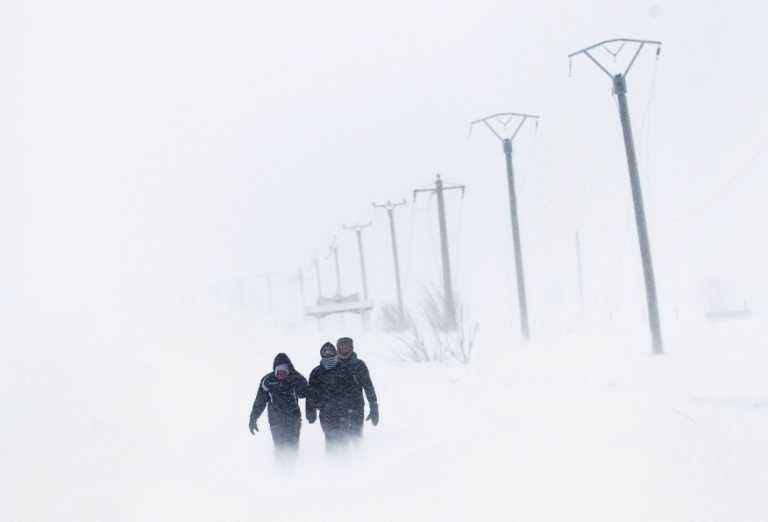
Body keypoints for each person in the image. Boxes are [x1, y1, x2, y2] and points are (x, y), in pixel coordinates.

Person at [249, 353, 308, 458]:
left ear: (288, 371)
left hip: (293, 420)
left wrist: (296, 378)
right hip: (275, 421)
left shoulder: (294, 378)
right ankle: (280, 470)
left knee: (292, 448)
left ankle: (293, 470)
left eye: (284, 372)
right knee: (280, 448)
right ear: (275, 371)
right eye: (278, 373)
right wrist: (253, 418)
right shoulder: (267, 381)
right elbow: (260, 402)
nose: (281, 375)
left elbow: (304, 393)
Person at [335, 336, 379, 438]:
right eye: (342, 346)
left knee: (356, 437)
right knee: (340, 441)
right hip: (337, 409)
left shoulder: (359, 365)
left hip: (356, 407)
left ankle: (359, 453)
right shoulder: (333, 365)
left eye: (347, 346)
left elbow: (368, 387)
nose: (345, 348)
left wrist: (373, 405)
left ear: (352, 347)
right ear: (338, 348)